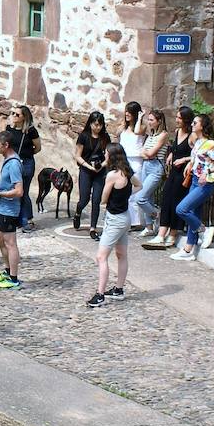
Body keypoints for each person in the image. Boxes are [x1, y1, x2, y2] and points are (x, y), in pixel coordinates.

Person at [86, 143, 141, 308]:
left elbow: (103, 199)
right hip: (125, 218)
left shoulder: (112, 175)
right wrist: (125, 196)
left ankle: (100, 294)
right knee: (121, 255)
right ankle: (119, 289)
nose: (105, 155)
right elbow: (139, 185)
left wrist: (112, 197)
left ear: (112, 156)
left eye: (106, 153)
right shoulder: (127, 172)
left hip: (115, 220)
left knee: (101, 257)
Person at [172, 113, 214, 261]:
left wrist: (208, 171)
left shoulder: (211, 144)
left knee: (181, 209)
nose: (192, 125)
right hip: (196, 180)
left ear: (202, 126)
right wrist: (189, 163)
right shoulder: (198, 142)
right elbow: (197, 157)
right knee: (193, 213)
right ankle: (188, 249)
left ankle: (204, 230)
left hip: (206, 183)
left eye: (195, 123)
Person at [146, 107, 194, 250]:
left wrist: (184, 159)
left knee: (176, 202)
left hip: (183, 174)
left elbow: (198, 154)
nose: (177, 120)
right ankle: (161, 233)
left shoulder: (192, 136)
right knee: (166, 199)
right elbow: (175, 148)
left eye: (179, 118)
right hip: (173, 171)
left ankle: (173, 233)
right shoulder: (177, 132)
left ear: (186, 120)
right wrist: (172, 155)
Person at [0, 131, 24, 290]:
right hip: (2, 207)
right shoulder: (7, 161)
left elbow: (19, 191)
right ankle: (8, 271)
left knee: (10, 243)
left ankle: (14, 279)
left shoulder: (14, 164)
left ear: (6, 145)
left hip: (9, 209)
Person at [73, 111, 111, 240]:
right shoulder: (84, 136)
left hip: (100, 172)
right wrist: (89, 167)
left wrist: (102, 165)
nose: (97, 127)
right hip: (86, 170)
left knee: (96, 200)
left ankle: (93, 228)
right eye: (95, 124)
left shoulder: (105, 137)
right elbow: (77, 155)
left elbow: (108, 156)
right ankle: (78, 212)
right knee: (84, 199)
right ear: (90, 124)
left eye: (100, 125)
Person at [133, 109, 169, 233]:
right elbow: (137, 132)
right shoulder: (151, 134)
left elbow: (151, 153)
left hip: (155, 167)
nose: (149, 122)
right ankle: (149, 227)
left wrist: (144, 153)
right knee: (148, 197)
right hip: (146, 165)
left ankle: (157, 214)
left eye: (151, 120)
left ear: (159, 121)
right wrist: (140, 117)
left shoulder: (163, 135)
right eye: (148, 119)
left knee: (140, 198)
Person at [6, 105, 42, 232]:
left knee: (23, 191)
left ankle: (27, 219)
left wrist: (27, 154)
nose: (14, 116)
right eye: (13, 113)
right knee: (14, 191)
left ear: (24, 117)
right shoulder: (9, 129)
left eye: (17, 114)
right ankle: (16, 218)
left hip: (26, 163)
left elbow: (37, 147)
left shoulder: (30, 131)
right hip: (12, 163)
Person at [118, 101, 144, 226]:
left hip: (136, 160)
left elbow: (138, 131)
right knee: (122, 189)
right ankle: (125, 218)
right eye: (126, 111)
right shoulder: (124, 127)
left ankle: (136, 221)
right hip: (124, 160)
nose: (127, 114)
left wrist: (140, 118)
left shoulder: (141, 127)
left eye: (130, 112)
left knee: (134, 191)